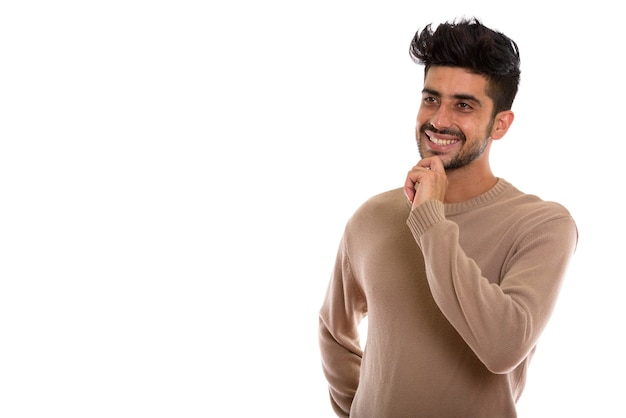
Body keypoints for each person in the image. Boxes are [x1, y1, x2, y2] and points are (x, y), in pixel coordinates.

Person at [318, 17, 578, 417]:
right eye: (431, 98)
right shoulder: (371, 216)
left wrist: (431, 221)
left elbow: (502, 347)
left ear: (501, 124)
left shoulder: (542, 225)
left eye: (463, 105)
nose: (439, 120)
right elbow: (335, 331)